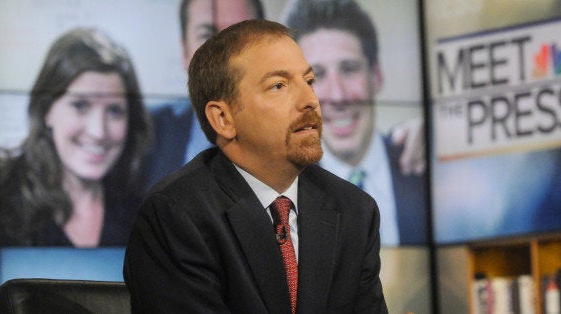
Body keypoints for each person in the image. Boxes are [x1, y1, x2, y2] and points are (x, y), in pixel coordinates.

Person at [124, 19, 388, 312]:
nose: (310, 100)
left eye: (309, 81)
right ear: (223, 119)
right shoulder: (177, 215)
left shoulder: (354, 210)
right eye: (278, 85)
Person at [283, 0, 427, 245]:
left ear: (377, 75)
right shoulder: (283, 194)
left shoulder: (422, 163)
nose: (338, 96)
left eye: (349, 69)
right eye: (316, 76)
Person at [0, 27, 151, 247]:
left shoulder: (142, 211)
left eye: (115, 111)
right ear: (46, 111)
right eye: (80, 105)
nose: (98, 132)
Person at [142, 0, 265, 190]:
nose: (225, 56)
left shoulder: (298, 140)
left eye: (240, 36)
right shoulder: (147, 131)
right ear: (184, 51)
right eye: (207, 35)